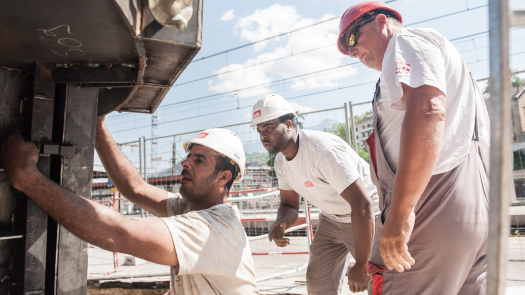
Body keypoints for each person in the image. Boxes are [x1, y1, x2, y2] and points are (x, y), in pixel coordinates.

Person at [0, 118, 260, 295]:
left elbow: (120, 233)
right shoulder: (192, 209)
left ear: (223, 177)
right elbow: (134, 188)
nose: (185, 163)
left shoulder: (214, 228)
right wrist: (97, 122)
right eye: (188, 157)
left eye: (199, 160)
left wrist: (28, 178)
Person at [336, 1, 490, 294]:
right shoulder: (453, 63)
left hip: (431, 203)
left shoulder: (405, 41)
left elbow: (428, 110)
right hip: (474, 204)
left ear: (381, 22)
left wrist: (402, 212)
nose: (351, 51)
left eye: (352, 38)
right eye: (346, 48)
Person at [251, 94, 380, 294]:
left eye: (268, 127)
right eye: (259, 130)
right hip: (331, 219)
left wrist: (362, 264)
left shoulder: (322, 150)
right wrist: (282, 222)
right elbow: (289, 206)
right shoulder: (281, 162)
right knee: (318, 282)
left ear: (288, 124)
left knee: (379, 282)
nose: (263, 136)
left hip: (366, 216)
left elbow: (362, 205)